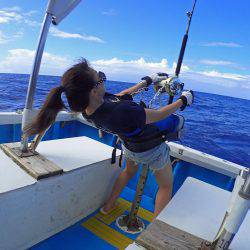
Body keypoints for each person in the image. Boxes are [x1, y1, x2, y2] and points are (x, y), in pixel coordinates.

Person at [24, 58, 193, 218]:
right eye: (101, 79)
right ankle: (156, 235)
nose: (104, 80)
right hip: (150, 150)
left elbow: (118, 97)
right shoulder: (122, 113)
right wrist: (183, 100)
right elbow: (159, 115)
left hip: (129, 148)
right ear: (94, 90)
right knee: (165, 186)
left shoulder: (88, 109)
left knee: (128, 172)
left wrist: (147, 81)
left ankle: (108, 206)